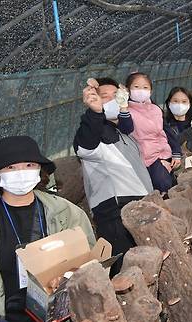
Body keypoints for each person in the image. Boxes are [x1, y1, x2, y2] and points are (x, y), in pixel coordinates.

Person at [0, 136, 96, 322]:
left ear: (39, 170)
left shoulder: (66, 212)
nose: (21, 172)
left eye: (29, 165)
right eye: (11, 167)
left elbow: (90, 259)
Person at [74, 77, 153, 276]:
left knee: (144, 267)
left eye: (114, 96)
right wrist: (94, 114)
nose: (109, 100)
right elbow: (84, 146)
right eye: (103, 97)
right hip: (114, 212)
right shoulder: (95, 134)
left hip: (139, 205)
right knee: (124, 269)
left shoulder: (124, 132)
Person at [125, 72, 180, 193]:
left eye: (145, 87)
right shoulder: (126, 111)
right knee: (161, 183)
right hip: (144, 156)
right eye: (136, 87)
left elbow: (167, 131)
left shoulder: (155, 109)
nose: (141, 91)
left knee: (168, 183)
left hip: (163, 153)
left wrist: (176, 152)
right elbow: (126, 129)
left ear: (151, 91)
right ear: (128, 90)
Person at [163, 87, 192, 161]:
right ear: (169, 103)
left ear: (189, 104)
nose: (180, 105)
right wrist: (191, 130)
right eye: (175, 101)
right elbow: (172, 145)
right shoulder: (164, 124)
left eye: (184, 101)